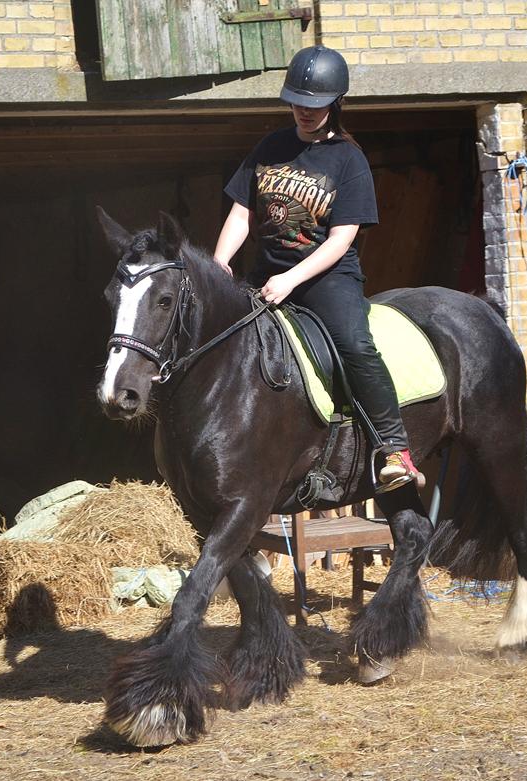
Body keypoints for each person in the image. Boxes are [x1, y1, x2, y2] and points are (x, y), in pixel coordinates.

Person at [211, 44, 421, 493]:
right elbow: (242, 214)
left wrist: (291, 278)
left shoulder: (348, 160)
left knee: (356, 345)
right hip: (266, 275)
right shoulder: (270, 147)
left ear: (335, 103)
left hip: (327, 277)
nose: (304, 112)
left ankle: (394, 449)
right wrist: (220, 261)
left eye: (315, 105)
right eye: (297, 103)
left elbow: (342, 239)